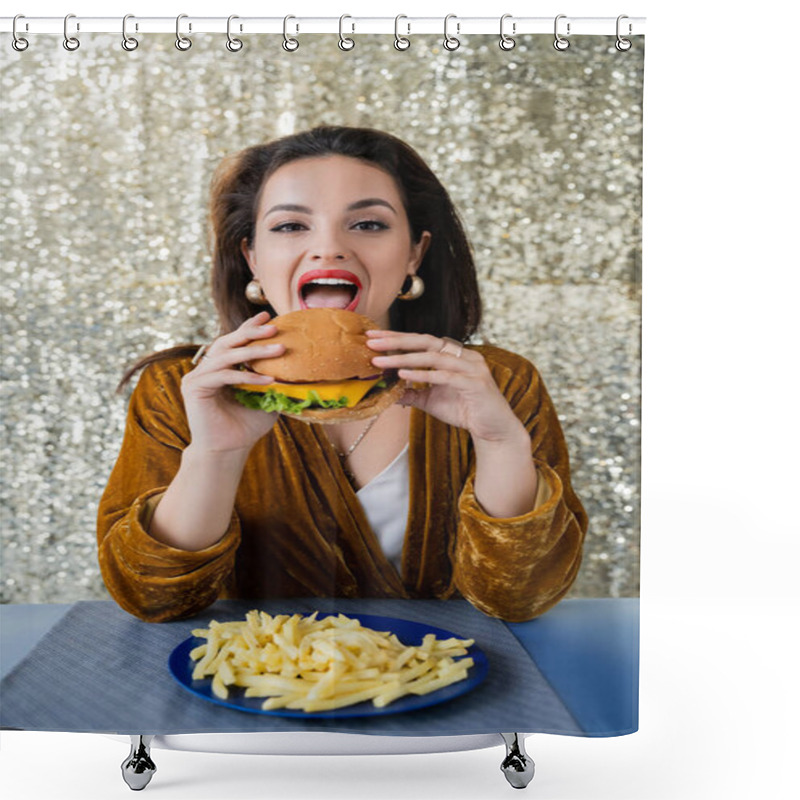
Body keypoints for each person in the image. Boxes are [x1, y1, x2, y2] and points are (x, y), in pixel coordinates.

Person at [97, 125, 588, 624]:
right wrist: (215, 455)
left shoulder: (497, 384)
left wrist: (501, 443)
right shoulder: (182, 390)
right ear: (252, 259)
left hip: (447, 682)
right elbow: (150, 599)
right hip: (256, 687)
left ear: (414, 253)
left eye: (368, 225)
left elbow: (522, 599)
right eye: (290, 226)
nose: (328, 249)